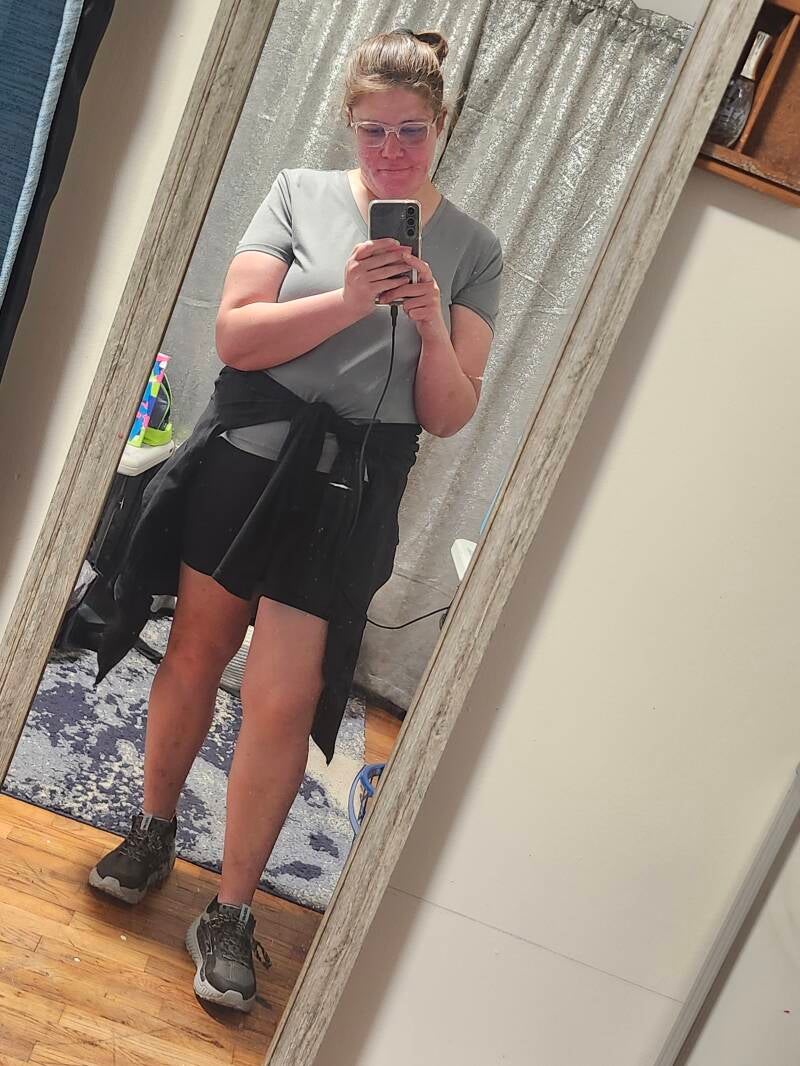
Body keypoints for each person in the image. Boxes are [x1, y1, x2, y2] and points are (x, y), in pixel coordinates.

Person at [87, 27, 503, 1012]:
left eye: (411, 130)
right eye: (373, 130)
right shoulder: (295, 193)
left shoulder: (474, 250)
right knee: (195, 651)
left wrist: (430, 324)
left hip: (348, 493)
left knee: (280, 699)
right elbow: (236, 336)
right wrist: (351, 299)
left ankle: (230, 913)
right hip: (244, 463)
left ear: (442, 126)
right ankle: (153, 828)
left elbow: (449, 414)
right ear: (349, 124)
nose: (391, 150)